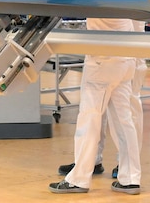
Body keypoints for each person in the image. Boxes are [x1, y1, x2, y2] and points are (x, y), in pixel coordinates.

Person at [49, 17, 142, 195]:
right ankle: (131, 178)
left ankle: (78, 179)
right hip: (126, 58)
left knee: (89, 118)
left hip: (102, 59)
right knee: (124, 121)